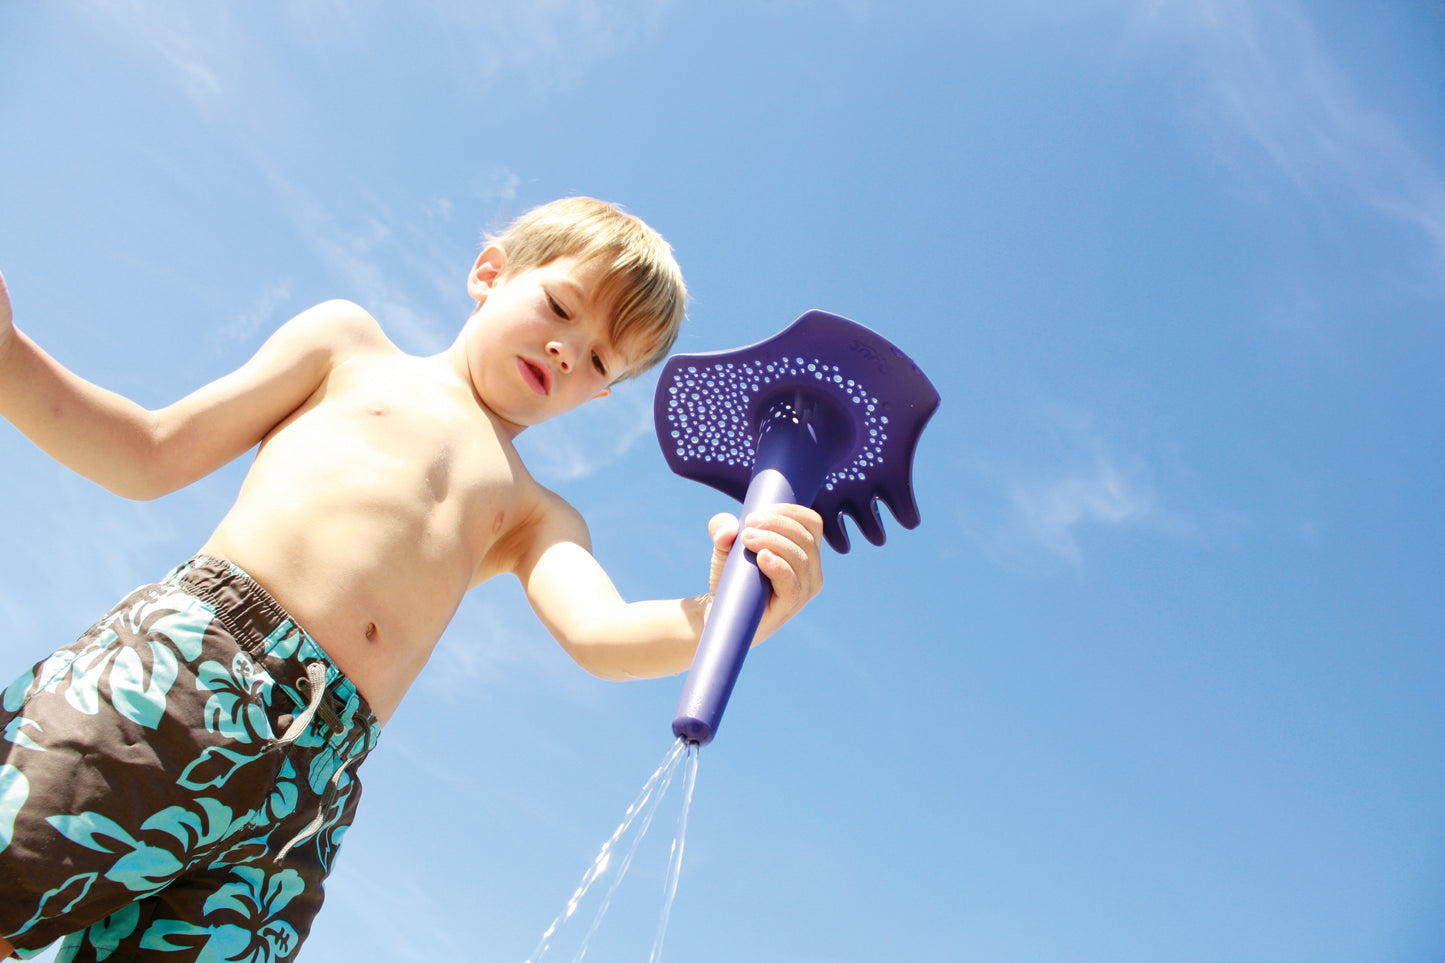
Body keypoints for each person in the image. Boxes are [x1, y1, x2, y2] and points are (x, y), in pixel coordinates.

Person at [0, 197, 824, 961]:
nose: (567, 349)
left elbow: (600, 636)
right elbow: (148, 452)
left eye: (597, 358)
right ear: (490, 274)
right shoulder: (349, 348)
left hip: (310, 790)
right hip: (188, 676)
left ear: (602, 391)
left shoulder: (538, 513)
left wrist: (729, 616)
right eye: (562, 308)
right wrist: (8, 357)